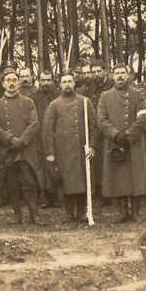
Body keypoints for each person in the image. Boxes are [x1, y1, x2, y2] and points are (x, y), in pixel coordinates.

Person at [43, 71, 98, 224]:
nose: (67, 84)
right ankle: (69, 213)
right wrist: (50, 152)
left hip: (81, 149)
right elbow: (48, 130)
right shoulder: (54, 105)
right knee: (64, 183)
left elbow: (93, 126)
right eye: (64, 82)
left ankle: (81, 212)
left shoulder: (84, 102)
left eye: (70, 81)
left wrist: (92, 146)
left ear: (74, 83)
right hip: (62, 151)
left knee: (82, 181)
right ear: (60, 85)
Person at [98, 65, 146, 221]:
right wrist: (115, 135)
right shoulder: (105, 96)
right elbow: (101, 120)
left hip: (134, 143)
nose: (120, 76)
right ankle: (122, 212)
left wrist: (128, 135)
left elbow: (144, 119)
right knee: (117, 176)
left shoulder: (138, 95)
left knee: (136, 177)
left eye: (123, 73)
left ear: (129, 75)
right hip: (114, 143)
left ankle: (135, 212)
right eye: (117, 73)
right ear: (112, 76)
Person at [0, 68, 43, 225]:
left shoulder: (28, 102)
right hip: (8, 150)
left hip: (25, 149)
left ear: (19, 82)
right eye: (8, 80)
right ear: (3, 84)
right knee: (12, 184)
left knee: (29, 182)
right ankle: (17, 215)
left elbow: (34, 123)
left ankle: (35, 214)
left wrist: (22, 140)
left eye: (14, 80)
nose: (11, 83)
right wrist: (10, 139)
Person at [32, 70, 59, 207]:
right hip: (40, 137)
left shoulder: (58, 96)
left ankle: (59, 196)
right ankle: (46, 196)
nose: (46, 83)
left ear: (52, 81)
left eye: (48, 80)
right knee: (43, 168)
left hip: (57, 136)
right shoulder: (34, 98)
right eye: (43, 80)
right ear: (39, 81)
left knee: (58, 166)